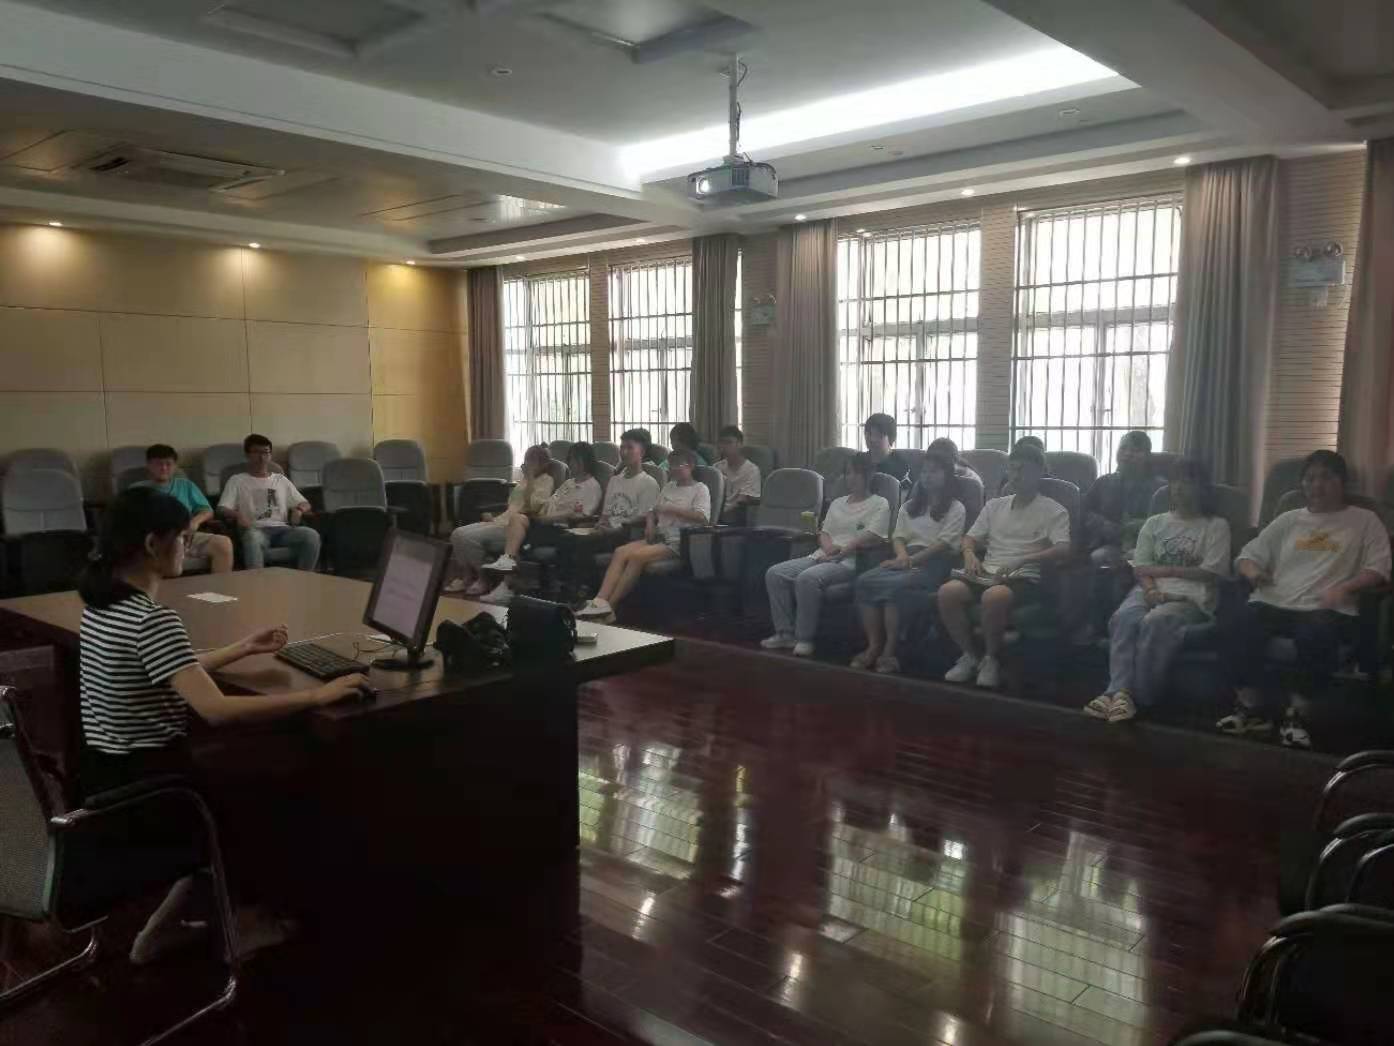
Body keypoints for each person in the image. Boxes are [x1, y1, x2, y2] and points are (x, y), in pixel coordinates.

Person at [77, 487, 366, 963]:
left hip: (108, 778)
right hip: (158, 793)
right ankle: (244, 924)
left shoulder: (103, 607)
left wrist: (241, 648)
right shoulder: (152, 619)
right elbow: (216, 710)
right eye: (184, 538)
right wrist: (317, 696)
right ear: (152, 544)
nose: (187, 547)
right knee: (272, 784)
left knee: (245, 767)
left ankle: (161, 930)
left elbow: (168, 668)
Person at [1218, 450, 1391, 749]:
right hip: (1276, 600)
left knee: (1315, 632)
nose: (1317, 485)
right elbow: (1247, 555)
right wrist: (1254, 572)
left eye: (1326, 477)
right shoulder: (1288, 519)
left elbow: (1379, 568)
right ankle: (1250, 707)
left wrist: (1346, 588)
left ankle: (1296, 714)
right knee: (1236, 623)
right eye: (1310, 479)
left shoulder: (1365, 520)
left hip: (1328, 606)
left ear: (1343, 482)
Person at [1085, 458, 1231, 723]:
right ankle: (1117, 693)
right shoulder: (1155, 523)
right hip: (1148, 589)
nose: (1179, 488)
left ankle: (1138, 697)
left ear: (1202, 488)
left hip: (1191, 597)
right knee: (1123, 618)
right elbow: (1141, 567)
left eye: (1188, 482)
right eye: (1175, 481)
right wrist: (1151, 590)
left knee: (1156, 621)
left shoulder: (1216, 525)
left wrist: (1164, 570)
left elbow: (1211, 572)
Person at [938, 443, 1071, 689]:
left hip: (1024, 576)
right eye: (1012, 469)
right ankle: (970, 656)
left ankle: (991, 659)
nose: (1016, 476)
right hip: (987, 572)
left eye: (1023, 470)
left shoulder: (1053, 510)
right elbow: (969, 538)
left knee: (993, 597)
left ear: (1039, 472)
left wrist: (1024, 559)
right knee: (948, 592)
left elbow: (1063, 548)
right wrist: (969, 554)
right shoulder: (995, 505)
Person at [763, 453, 891, 658]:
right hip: (823, 555)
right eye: (848, 473)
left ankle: (804, 638)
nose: (851, 478)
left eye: (857, 473)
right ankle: (785, 633)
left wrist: (838, 554)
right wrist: (828, 548)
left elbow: (872, 536)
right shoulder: (838, 503)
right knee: (775, 573)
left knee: (808, 578)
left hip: (851, 561)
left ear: (868, 475)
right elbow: (824, 532)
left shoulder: (879, 503)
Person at [851, 450, 965, 674]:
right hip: (904, 559)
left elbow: (943, 544)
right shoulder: (909, 506)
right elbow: (898, 537)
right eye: (924, 471)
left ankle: (889, 652)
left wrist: (910, 560)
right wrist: (902, 557)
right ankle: (874, 646)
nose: (927, 476)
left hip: (934, 564)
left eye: (934, 471)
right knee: (863, 581)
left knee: (896, 589)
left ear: (947, 475)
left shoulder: (955, 507)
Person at [578, 449, 710, 620]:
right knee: (620, 552)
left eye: (678, 465)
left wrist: (671, 509)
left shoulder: (700, 489)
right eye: (671, 466)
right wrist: (650, 525)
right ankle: (599, 601)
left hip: (678, 541)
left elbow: (702, 517)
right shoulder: (669, 486)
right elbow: (652, 510)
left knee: (636, 557)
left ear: (690, 466)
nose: (672, 469)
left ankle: (611, 607)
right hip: (658, 536)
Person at [445, 444, 554, 599]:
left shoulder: (547, 481)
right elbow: (512, 505)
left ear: (543, 464)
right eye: (527, 460)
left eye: (532, 461)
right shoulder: (523, 481)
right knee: (456, 534)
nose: (528, 464)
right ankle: (466, 576)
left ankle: (483, 579)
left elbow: (532, 507)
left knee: (467, 538)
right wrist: (494, 517)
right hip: (501, 521)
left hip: (514, 527)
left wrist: (530, 478)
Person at [217, 434, 320, 571]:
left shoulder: (280, 479)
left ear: (270, 455)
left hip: (283, 530)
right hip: (255, 529)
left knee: (311, 535)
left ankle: (304, 578)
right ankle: (258, 581)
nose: (262, 457)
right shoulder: (237, 480)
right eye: (256, 452)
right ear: (247, 455)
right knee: (252, 537)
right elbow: (221, 508)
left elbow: (305, 503)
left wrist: (299, 510)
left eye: (266, 452)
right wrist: (237, 515)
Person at [136, 444, 233, 573]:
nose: (164, 468)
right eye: (159, 464)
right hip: (155, 541)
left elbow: (207, 511)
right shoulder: (137, 490)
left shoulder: (186, 485)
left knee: (223, 543)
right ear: (149, 465)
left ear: (175, 466)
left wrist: (195, 522)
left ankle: (220, 585)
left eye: (168, 464)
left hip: (187, 536)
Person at [1083, 431, 1165, 567]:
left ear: (1147, 456)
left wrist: (1139, 525)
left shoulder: (1160, 488)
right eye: (1123, 448)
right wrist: (1103, 524)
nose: (1127, 454)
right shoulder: (1103, 482)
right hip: (1111, 545)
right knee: (1098, 557)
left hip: (1148, 546)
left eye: (1136, 450)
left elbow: (1168, 522)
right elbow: (1085, 512)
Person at [598, 429, 661, 533]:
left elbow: (643, 521)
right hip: (606, 532)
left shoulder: (649, 484)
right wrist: (600, 524)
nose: (624, 452)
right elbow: (605, 515)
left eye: (630, 448)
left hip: (627, 535)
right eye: (622, 447)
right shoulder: (614, 480)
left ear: (642, 452)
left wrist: (614, 531)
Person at [715, 424, 761, 522]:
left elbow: (742, 501)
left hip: (733, 517)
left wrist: (719, 515)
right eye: (722, 442)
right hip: (714, 514)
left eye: (729, 442)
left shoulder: (751, 470)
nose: (724, 446)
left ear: (740, 444)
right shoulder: (717, 467)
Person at [862, 413, 910, 483]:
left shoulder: (901, 466)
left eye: (879, 435)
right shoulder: (858, 460)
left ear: (891, 438)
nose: (872, 439)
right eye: (869, 434)